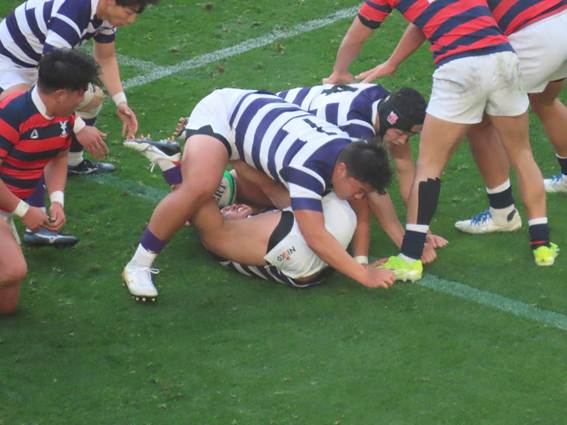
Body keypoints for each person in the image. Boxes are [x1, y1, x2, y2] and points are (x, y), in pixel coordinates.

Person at [324, 0, 558, 282]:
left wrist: (339, 71)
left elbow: (358, 33)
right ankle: (542, 245)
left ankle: (409, 259)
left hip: (459, 66)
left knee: (429, 166)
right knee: (522, 154)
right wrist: (393, 61)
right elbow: (425, 22)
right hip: (503, 57)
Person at [122, 88, 396, 301]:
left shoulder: (350, 150)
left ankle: (187, 169)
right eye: (360, 190)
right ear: (342, 170)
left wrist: (361, 263)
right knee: (201, 191)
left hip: (252, 123)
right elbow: (315, 236)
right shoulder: (309, 169)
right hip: (223, 115)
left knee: (266, 192)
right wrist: (364, 274)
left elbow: (275, 191)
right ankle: (138, 265)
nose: (359, 197)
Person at [127, 82, 447, 265]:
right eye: (401, 134)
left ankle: (208, 186)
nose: (402, 142)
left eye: (409, 136)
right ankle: (184, 189)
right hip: (274, 131)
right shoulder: (356, 131)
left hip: (275, 122)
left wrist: (418, 229)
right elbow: (371, 195)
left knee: (284, 197)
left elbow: (404, 170)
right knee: (220, 230)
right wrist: (398, 243)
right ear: (389, 120)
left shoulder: (382, 102)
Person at [0, 0, 159, 246]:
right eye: (128, 13)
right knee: (34, 123)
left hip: (36, 66)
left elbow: (105, 58)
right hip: (10, 65)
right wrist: (80, 127)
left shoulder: (103, 15)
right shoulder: (71, 14)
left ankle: (73, 162)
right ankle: (35, 219)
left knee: (93, 96)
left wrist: (121, 102)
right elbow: (50, 88)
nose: (131, 20)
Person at [0, 48, 100, 315]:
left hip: (7, 207)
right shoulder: (11, 114)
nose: (84, 97)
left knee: (7, 306)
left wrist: (57, 201)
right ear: (61, 94)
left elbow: (59, 156)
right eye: (81, 91)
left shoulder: (63, 115)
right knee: (13, 270)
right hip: (7, 205)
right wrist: (24, 210)